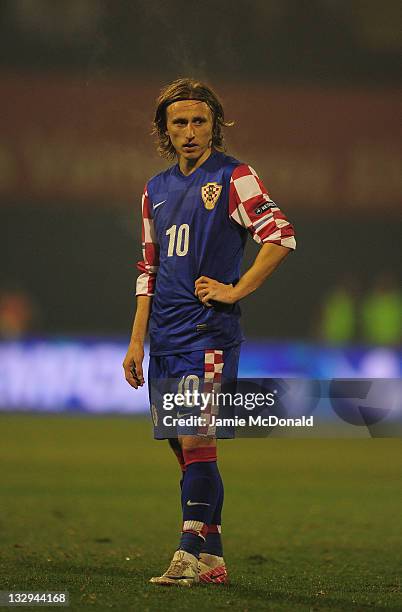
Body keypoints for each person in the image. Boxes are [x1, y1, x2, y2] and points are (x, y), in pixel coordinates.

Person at [123, 78, 296, 587]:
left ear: (215, 125)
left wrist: (236, 289)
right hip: (165, 339)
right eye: (180, 123)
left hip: (208, 334)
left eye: (200, 121)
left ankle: (186, 551)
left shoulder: (235, 176)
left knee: (198, 438)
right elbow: (147, 269)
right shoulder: (154, 190)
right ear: (165, 130)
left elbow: (280, 235)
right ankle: (213, 558)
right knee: (184, 446)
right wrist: (137, 340)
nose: (191, 131)